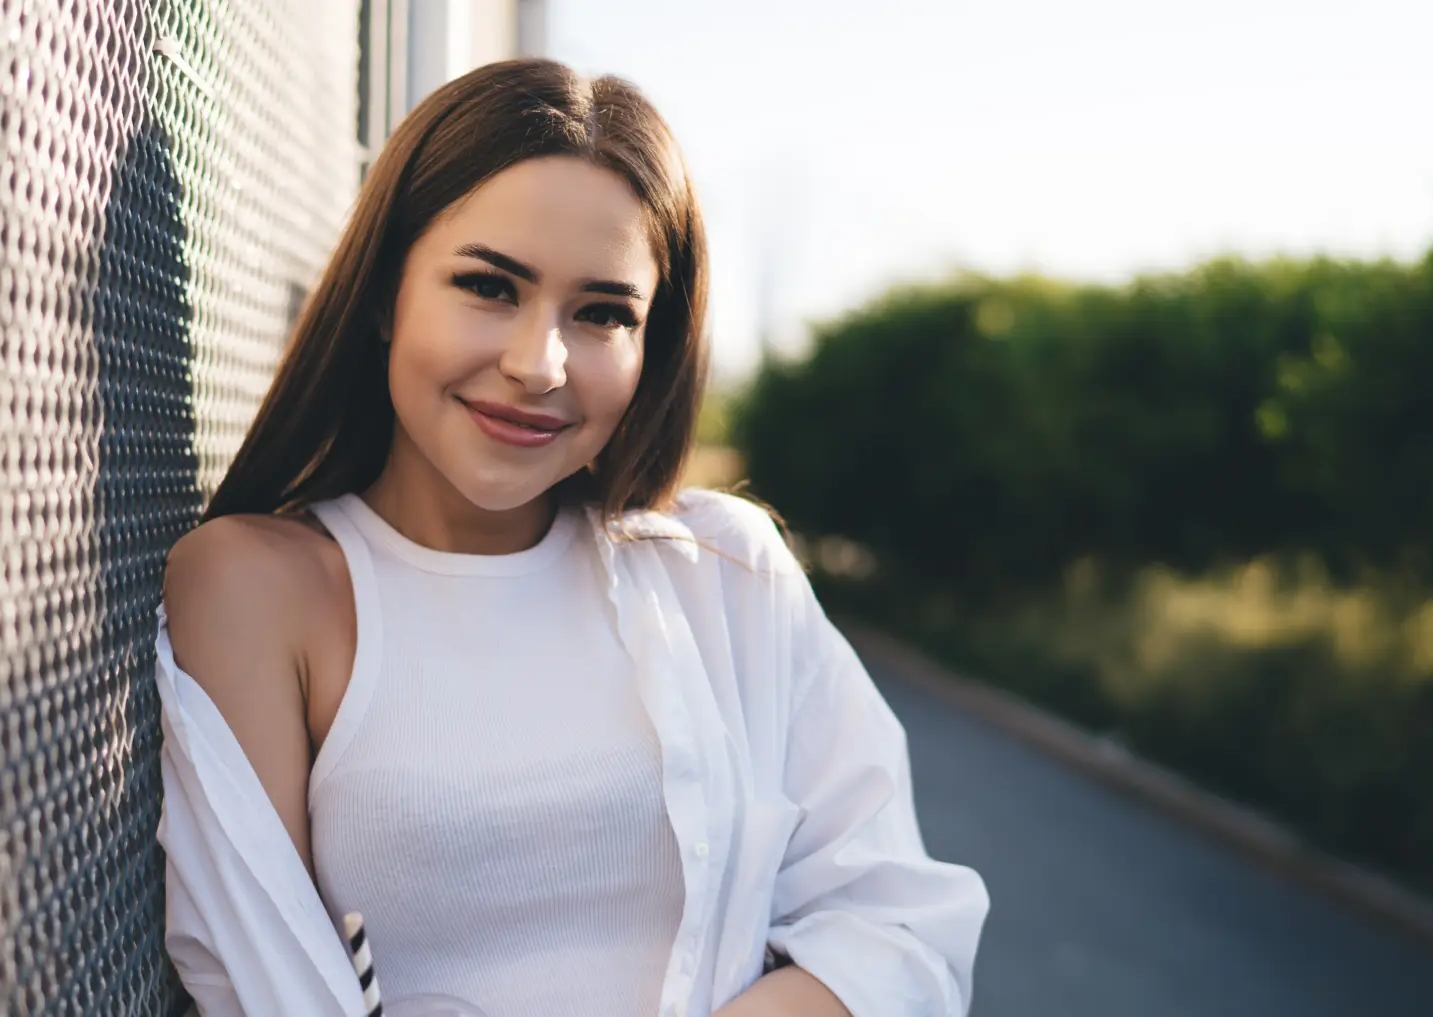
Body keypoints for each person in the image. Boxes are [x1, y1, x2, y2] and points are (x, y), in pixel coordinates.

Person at [155, 57, 989, 1017]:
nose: (538, 364)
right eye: (488, 286)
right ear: (386, 293)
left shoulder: (723, 572)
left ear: (651, 345)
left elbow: (899, 931)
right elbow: (262, 984)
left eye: (602, 312)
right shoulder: (257, 588)